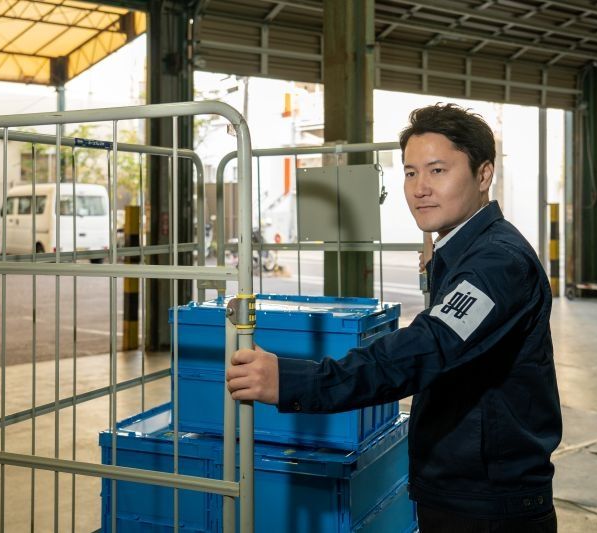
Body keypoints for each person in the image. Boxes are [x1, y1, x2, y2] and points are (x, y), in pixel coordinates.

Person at [226, 103, 562, 532]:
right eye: (410, 173)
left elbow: (426, 349)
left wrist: (296, 381)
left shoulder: (496, 264)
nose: (420, 188)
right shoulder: (467, 250)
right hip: (463, 487)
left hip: (489, 505)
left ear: (483, 175)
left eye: (438, 171)